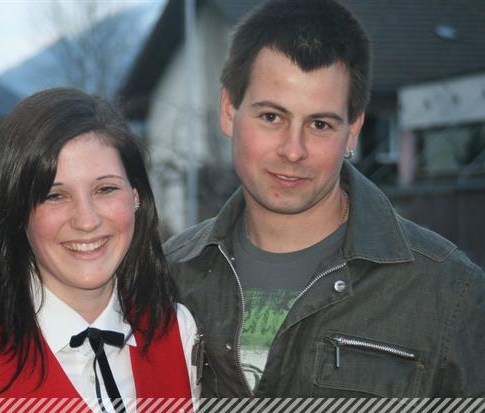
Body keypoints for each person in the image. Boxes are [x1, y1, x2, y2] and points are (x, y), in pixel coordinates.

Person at [164, 0, 485, 397]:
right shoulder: (170, 275)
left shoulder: (449, 292)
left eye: (319, 124)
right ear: (229, 110)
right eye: (271, 117)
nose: (293, 150)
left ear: (353, 130)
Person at [0, 87, 198, 411]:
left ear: (135, 197)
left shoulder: (179, 333)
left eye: (105, 189)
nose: (87, 221)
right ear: (17, 212)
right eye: (54, 196)